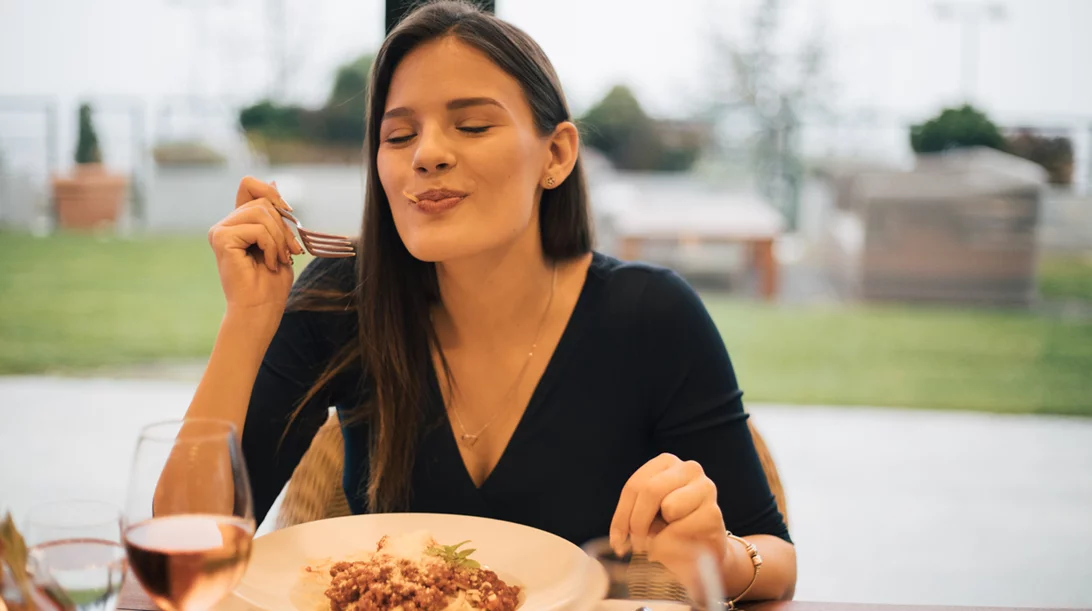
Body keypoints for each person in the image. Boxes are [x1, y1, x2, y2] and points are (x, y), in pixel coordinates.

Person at [191, 0, 795, 601]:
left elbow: (777, 559)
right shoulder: (343, 298)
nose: (426, 153)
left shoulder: (652, 315)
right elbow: (190, 546)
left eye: (472, 125)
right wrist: (247, 320)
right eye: (399, 134)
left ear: (555, 155)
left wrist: (717, 555)